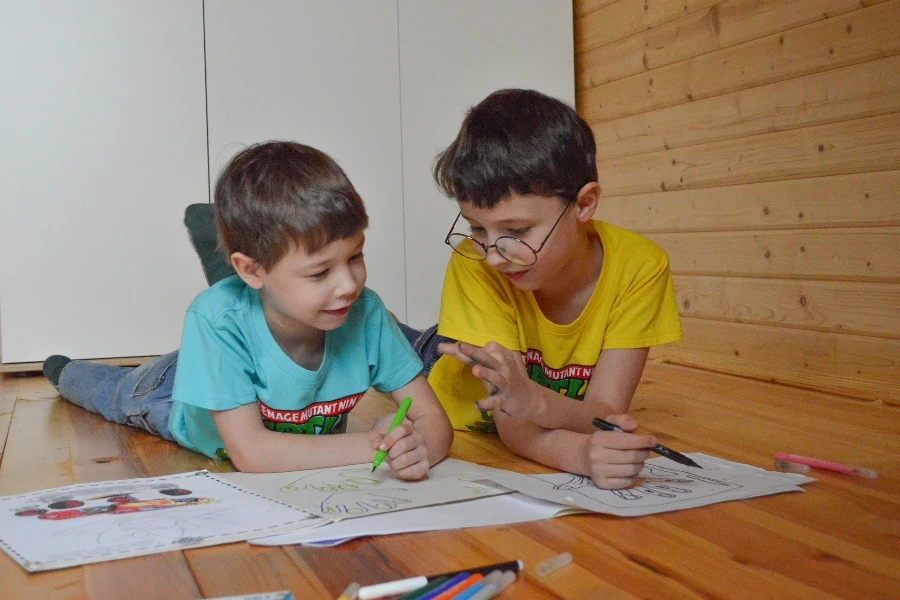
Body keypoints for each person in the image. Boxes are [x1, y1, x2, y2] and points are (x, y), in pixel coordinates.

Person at [43, 141, 453, 479]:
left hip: (246, 334)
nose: (349, 285)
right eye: (319, 272)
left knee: (247, 304)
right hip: (172, 392)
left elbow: (434, 421)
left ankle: (223, 247)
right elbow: (253, 454)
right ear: (251, 269)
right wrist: (371, 445)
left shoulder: (365, 312)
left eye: (356, 256)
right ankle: (65, 371)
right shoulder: (214, 319)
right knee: (117, 393)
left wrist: (419, 448)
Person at [399, 89, 682, 490]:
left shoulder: (641, 266)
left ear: (584, 204)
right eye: (477, 228)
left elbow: (605, 414)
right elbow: (517, 430)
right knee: (407, 348)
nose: (494, 256)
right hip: (447, 374)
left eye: (516, 232)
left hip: (512, 370)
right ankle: (392, 328)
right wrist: (580, 454)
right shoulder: (474, 263)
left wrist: (537, 402)